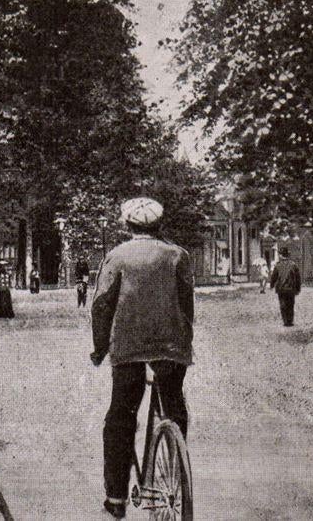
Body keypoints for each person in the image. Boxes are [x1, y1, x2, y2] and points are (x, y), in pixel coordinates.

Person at [89, 197, 194, 520]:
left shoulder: (117, 257)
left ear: (128, 225)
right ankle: (175, 465)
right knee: (175, 408)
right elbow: (187, 303)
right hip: (171, 348)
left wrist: (100, 347)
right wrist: (184, 343)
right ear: (159, 226)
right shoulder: (178, 255)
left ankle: (116, 497)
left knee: (120, 417)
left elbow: (102, 305)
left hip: (129, 349)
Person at [269, 247, 301, 327]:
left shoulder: (278, 265)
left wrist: (271, 285)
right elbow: (298, 278)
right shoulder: (293, 265)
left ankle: (285, 321)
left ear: (280, 255)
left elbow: (274, 277)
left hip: (281, 288)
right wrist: (298, 288)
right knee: (290, 304)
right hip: (291, 288)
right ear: (287, 255)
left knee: (283, 304)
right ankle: (290, 321)